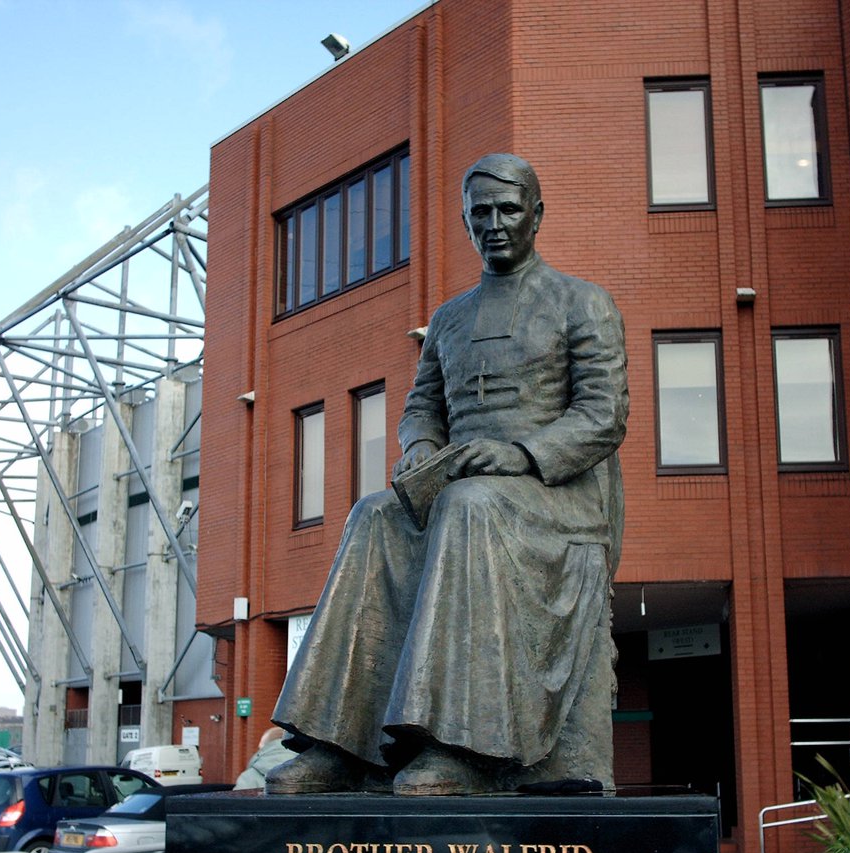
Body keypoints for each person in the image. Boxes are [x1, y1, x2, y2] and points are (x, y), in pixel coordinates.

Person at [268, 153, 628, 796]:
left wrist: (521, 454)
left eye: (508, 210)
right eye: (480, 212)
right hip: (463, 484)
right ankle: (341, 744)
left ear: (536, 216)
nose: (494, 224)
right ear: (465, 221)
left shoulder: (582, 302)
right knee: (374, 513)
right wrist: (420, 446)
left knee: (469, 505)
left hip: (555, 497)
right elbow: (420, 408)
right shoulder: (449, 319)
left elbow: (603, 414)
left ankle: (459, 747)